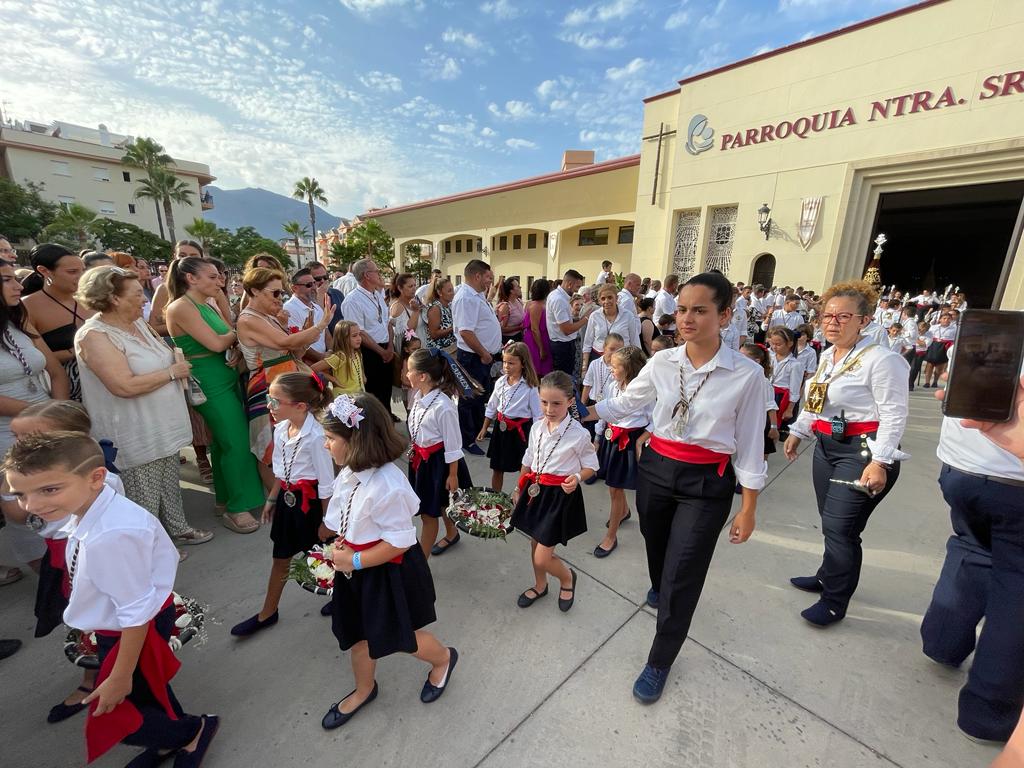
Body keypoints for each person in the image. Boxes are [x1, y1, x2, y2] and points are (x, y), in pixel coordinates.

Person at [589, 271, 767, 704]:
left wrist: (748, 507)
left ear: (724, 315)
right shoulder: (664, 362)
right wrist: (585, 410)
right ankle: (659, 583)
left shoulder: (746, 375)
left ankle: (660, 658)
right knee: (655, 539)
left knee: (683, 572)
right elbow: (632, 402)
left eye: (700, 310)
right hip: (656, 468)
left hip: (707, 482)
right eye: (683, 309)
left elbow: (749, 445)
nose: (686, 318)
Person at [4, 433, 218, 766]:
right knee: (148, 693)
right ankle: (172, 739)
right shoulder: (88, 505)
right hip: (122, 625)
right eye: (20, 494)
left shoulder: (110, 535)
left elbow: (135, 614)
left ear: (95, 478)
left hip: (131, 631)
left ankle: (191, 731)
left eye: (49, 490)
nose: (31, 506)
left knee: (120, 712)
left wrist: (119, 676)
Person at [320, 394, 458, 729]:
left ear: (356, 440)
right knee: (358, 637)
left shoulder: (387, 485)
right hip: (356, 567)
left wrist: (352, 558)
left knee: (401, 636)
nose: (326, 446)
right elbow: (348, 518)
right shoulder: (350, 472)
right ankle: (364, 688)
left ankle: (442, 659)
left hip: (384, 571)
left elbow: (399, 542)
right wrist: (340, 547)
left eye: (331, 439)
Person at [784, 280, 910, 627]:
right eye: (827, 315)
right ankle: (827, 575)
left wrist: (880, 461)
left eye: (843, 316)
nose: (832, 322)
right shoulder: (828, 356)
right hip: (827, 446)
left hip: (862, 451)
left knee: (841, 528)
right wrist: (798, 430)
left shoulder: (882, 360)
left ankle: (835, 600)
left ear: (864, 320)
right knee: (831, 522)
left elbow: (894, 414)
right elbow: (815, 400)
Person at [74, 266, 211, 552]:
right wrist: (172, 373)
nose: (144, 300)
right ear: (113, 298)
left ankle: (178, 528)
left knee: (168, 482)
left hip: (162, 424)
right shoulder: (94, 335)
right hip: (134, 429)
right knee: (142, 494)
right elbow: (122, 386)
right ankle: (148, 549)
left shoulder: (137, 324)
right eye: (137, 294)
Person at [920, 370, 1024, 745]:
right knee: (1016, 586)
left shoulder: (993, 335)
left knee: (972, 548)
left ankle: (942, 643)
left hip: (963, 469)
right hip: (1014, 476)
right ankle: (988, 711)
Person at [5, 400, 123, 724]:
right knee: (81, 619)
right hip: (62, 558)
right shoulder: (40, 482)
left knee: (99, 618)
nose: (20, 447)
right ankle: (97, 674)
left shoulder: (100, 482)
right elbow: (18, 515)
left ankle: (107, 675)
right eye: (18, 440)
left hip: (93, 563)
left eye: (29, 439)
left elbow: (115, 535)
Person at [230, 373, 335, 638]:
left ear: (300, 406)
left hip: (314, 508)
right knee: (281, 558)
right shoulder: (280, 429)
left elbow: (326, 485)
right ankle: (268, 612)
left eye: (276, 401)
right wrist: (273, 498)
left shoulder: (316, 437)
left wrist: (327, 521)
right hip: (289, 505)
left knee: (331, 559)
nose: (269, 406)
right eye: (269, 399)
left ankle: (346, 599)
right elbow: (281, 472)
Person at [165, 256, 264, 533]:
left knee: (223, 444)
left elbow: (226, 336)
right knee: (236, 441)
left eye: (219, 277)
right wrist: (235, 335)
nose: (219, 281)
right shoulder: (180, 307)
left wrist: (230, 338)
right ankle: (236, 508)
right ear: (191, 278)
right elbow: (217, 341)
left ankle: (226, 499)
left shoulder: (204, 303)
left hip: (224, 375)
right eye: (212, 277)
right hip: (209, 382)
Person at [0, 258, 70, 575]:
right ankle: (48, 574)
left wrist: (59, 412)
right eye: (5, 280)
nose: (17, 284)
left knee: (58, 491)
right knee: (22, 503)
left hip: (47, 419)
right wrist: (37, 415)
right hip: (8, 430)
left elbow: (55, 371)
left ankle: (70, 565)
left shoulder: (19, 320)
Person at [511, 371, 599, 613]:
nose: (549, 409)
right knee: (535, 544)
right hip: (535, 492)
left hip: (559, 496)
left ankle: (567, 578)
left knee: (542, 556)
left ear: (571, 402)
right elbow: (528, 460)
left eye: (557, 403)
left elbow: (592, 465)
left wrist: (579, 477)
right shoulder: (537, 427)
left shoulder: (579, 434)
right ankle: (540, 585)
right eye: (544, 402)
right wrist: (519, 488)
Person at [237, 267, 329, 475]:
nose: (280, 298)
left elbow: (294, 351)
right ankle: (276, 501)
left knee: (293, 438)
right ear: (254, 291)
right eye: (275, 293)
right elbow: (283, 342)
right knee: (270, 447)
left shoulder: (268, 317)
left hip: (285, 381)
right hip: (267, 385)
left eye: (282, 293)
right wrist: (320, 326)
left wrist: (308, 332)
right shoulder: (248, 319)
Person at [405, 349, 473, 558]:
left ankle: (421, 564)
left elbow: (453, 446)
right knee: (439, 503)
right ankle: (452, 534)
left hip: (439, 465)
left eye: (409, 371)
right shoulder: (418, 397)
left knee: (428, 514)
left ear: (422, 376)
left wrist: (452, 475)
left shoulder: (443, 407)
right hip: (421, 461)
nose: (406, 375)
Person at [593, 346, 649, 558]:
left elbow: (656, 420)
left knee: (615, 488)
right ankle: (624, 512)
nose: (610, 370)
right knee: (612, 484)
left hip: (629, 441)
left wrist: (641, 441)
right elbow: (604, 411)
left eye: (615, 367)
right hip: (611, 439)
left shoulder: (642, 391)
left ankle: (611, 537)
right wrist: (598, 438)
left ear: (628, 369)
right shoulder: (612, 386)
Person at [20, 243, 94, 401]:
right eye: (72, 272)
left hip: (110, 382)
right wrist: (75, 351)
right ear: (44, 271)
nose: (81, 276)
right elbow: (29, 359)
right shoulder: (26, 308)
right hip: (66, 392)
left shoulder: (94, 297)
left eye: (83, 270)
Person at [451, 260, 502, 455]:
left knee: (480, 396)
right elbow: (465, 331)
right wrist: (484, 353)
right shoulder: (466, 298)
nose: (490, 281)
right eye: (488, 277)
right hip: (473, 357)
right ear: (477, 276)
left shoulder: (477, 295)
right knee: (469, 398)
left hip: (481, 356)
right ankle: (467, 439)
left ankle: (479, 429)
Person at [479, 341, 541, 493]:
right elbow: (492, 406)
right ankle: (495, 497)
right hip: (501, 430)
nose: (506, 366)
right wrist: (484, 427)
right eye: (505, 362)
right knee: (497, 467)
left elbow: (538, 415)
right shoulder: (500, 382)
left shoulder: (530, 386)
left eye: (511, 363)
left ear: (523, 363)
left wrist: (538, 438)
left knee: (525, 468)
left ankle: (522, 496)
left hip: (520, 433)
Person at [342, 259, 395, 419]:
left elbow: (386, 322)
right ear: (367, 275)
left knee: (386, 392)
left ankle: (386, 424)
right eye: (377, 271)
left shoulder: (377, 295)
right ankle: (376, 431)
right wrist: (381, 351)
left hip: (386, 348)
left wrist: (390, 347)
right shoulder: (352, 300)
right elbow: (359, 333)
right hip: (369, 352)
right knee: (373, 394)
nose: (380, 274)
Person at [581, 283, 640, 378]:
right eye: (603, 298)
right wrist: (584, 368)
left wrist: (637, 365)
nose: (606, 301)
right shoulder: (594, 316)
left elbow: (635, 342)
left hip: (622, 361)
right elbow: (587, 343)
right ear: (599, 301)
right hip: (598, 358)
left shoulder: (628, 315)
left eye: (610, 297)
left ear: (616, 298)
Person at [546, 269, 593, 384]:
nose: (577, 291)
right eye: (577, 287)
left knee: (564, 379)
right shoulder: (559, 300)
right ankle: (565, 401)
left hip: (563, 344)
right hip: (563, 346)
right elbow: (566, 330)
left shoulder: (557, 296)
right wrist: (586, 318)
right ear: (569, 284)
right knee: (563, 381)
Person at [148, 240, 204, 337]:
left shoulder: (213, 288)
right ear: (175, 257)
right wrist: (185, 325)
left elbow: (227, 324)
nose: (187, 259)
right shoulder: (164, 289)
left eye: (193, 256)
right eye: (182, 255)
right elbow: (153, 328)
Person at [740, 342, 780, 457]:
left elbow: (770, 405)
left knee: (761, 453)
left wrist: (773, 427)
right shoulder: (742, 377)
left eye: (743, 356)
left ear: (756, 361)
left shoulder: (763, 381)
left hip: (761, 422)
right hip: (747, 420)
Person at [283, 267, 327, 362]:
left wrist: (331, 351)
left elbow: (326, 333)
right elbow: (297, 342)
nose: (314, 287)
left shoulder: (317, 307)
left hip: (323, 361)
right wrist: (320, 357)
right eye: (309, 285)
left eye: (314, 283)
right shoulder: (289, 309)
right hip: (306, 364)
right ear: (294, 288)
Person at [313, 320, 365, 396]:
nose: (359, 338)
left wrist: (362, 375)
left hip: (358, 396)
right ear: (342, 338)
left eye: (359, 334)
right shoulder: (340, 356)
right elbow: (313, 369)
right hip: (343, 398)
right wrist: (332, 379)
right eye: (354, 336)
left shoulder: (357, 353)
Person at [767, 327, 803, 436]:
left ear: (790, 344)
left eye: (778, 344)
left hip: (779, 397)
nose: (774, 347)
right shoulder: (769, 356)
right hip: (765, 393)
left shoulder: (795, 364)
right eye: (772, 343)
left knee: (770, 428)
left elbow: (795, 389)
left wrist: (790, 409)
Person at [524, 278, 553, 377]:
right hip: (536, 340)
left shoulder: (540, 304)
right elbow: (534, 329)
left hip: (542, 337)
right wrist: (541, 348)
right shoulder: (536, 305)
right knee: (537, 369)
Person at [923, 312, 957, 388]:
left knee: (939, 366)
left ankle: (935, 381)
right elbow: (927, 336)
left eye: (948, 319)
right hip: (934, 345)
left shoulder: (954, 329)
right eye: (944, 318)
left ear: (951, 320)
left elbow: (955, 339)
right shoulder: (934, 327)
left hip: (944, 346)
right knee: (930, 364)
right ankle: (927, 382)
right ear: (940, 319)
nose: (946, 320)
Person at [423, 277, 457, 353]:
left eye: (452, 290)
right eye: (449, 291)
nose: (452, 293)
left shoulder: (449, 305)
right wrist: (453, 328)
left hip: (451, 348)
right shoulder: (435, 308)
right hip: (440, 352)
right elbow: (434, 334)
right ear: (439, 292)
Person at [495, 276, 526, 344]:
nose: (520, 287)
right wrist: (519, 327)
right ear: (511, 291)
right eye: (518, 286)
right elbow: (502, 329)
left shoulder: (519, 301)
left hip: (519, 336)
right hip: (509, 340)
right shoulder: (505, 306)